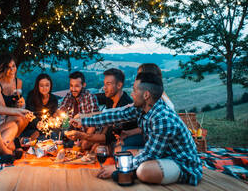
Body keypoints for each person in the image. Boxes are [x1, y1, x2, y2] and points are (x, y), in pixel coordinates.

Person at [70, 72, 202, 186]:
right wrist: (83, 121)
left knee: (144, 171)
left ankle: (129, 172)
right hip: (162, 155)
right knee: (122, 154)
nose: (132, 94)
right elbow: (115, 115)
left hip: (181, 164)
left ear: (146, 95)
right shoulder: (143, 107)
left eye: (134, 90)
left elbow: (150, 154)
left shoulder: (162, 118)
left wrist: (117, 168)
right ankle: (129, 171)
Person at [66, 68, 140, 153]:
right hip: (106, 136)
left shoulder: (125, 105)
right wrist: (82, 115)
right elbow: (94, 102)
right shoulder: (110, 97)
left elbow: (107, 138)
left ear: (119, 85)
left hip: (118, 141)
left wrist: (82, 135)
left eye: (108, 84)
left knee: (95, 148)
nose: (104, 87)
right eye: (104, 84)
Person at [57, 71, 99, 150]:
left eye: (76, 86)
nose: (73, 89)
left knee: (83, 146)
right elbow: (61, 110)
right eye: (71, 86)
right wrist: (57, 117)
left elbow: (93, 125)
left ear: (83, 85)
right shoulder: (70, 95)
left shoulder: (89, 97)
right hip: (74, 134)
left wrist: (84, 139)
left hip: (89, 134)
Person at [24, 73, 59, 139]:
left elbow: (52, 118)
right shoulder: (32, 96)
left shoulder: (53, 99)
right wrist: (37, 127)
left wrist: (39, 131)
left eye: (47, 85)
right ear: (37, 86)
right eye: (41, 86)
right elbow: (29, 114)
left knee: (56, 135)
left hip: (47, 128)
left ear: (50, 86)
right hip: (32, 127)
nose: (44, 88)